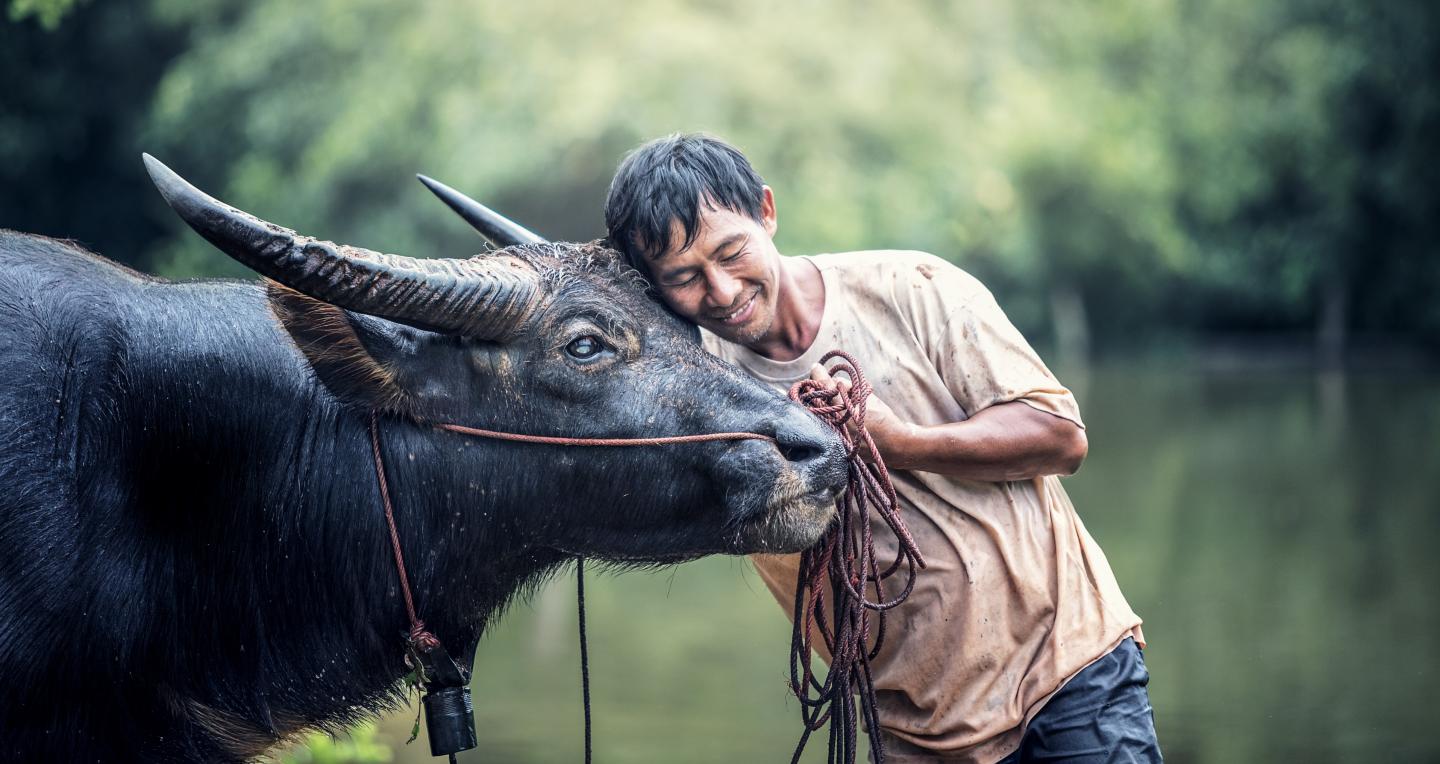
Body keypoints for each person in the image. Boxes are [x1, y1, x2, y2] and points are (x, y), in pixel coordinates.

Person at [602, 133, 1161, 764]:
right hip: (914, 725)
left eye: (731, 253)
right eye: (684, 278)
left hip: (1066, 670)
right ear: (653, 290)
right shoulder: (696, 390)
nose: (724, 291)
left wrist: (904, 444)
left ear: (767, 211)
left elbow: (1060, 436)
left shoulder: (913, 287)